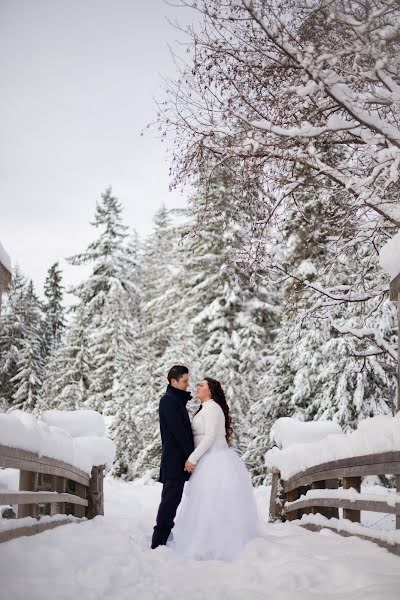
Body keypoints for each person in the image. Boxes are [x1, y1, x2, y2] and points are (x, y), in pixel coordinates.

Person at [167, 376, 262, 561]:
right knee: (205, 503)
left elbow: (210, 437)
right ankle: (206, 539)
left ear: (210, 390)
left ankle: (217, 543)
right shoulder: (205, 408)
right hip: (208, 459)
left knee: (214, 503)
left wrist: (192, 459)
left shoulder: (213, 408)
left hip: (215, 459)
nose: (197, 387)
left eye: (202, 385)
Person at [151, 365, 195, 550]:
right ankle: (158, 541)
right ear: (173, 382)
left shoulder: (176, 401)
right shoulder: (169, 401)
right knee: (170, 501)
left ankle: (164, 537)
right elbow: (179, 433)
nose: (188, 384)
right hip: (174, 462)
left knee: (172, 500)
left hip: (177, 460)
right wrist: (191, 457)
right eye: (184, 381)